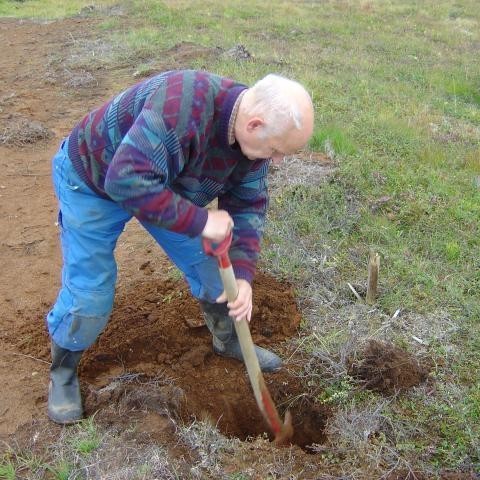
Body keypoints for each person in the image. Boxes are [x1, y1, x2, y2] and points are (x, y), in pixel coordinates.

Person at [47, 69, 314, 424]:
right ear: (254, 125)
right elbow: (127, 182)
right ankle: (62, 372)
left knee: (220, 276)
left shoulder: (254, 148)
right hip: (97, 177)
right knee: (90, 293)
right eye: (278, 150)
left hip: (165, 185)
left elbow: (248, 207)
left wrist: (244, 277)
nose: (277, 160)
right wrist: (203, 221)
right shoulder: (182, 107)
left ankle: (226, 339)